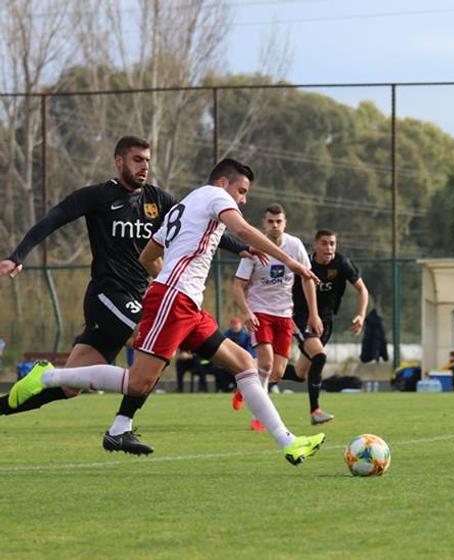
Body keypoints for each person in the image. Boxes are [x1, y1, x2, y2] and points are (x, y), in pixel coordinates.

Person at [8, 158, 326, 466]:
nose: (242, 200)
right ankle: (47, 376)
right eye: (241, 191)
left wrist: (168, 279)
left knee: (244, 363)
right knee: (138, 383)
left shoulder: (184, 205)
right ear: (223, 182)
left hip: (185, 302)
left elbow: (148, 255)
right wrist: (291, 262)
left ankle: (288, 441)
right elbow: (241, 230)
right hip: (174, 300)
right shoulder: (215, 196)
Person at [0, 136, 256, 455]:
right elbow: (54, 217)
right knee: (155, 342)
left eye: (147, 160)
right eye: (137, 159)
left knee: (69, 386)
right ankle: (121, 426)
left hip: (141, 295)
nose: (144, 166)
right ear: (118, 161)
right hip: (109, 295)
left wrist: (242, 247)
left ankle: (9, 404)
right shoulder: (98, 196)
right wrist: (18, 255)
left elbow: (201, 220)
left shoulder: (156, 199)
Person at [230, 204, 318, 431]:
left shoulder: (295, 245)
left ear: (285, 223)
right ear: (264, 223)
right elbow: (238, 285)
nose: (275, 226)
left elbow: (307, 278)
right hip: (260, 311)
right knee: (266, 362)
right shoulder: (254, 247)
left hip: (284, 314)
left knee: (277, 371)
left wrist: (313, 314)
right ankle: (258, 417)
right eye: (270, 221)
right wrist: (247, 312)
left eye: (279, 221)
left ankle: (244, 384)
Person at [290, 229, 368, 424]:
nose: (329, 247)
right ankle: (315, 411)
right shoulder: (304, 264)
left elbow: (362, 290)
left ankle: (256, 373)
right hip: (302, 319)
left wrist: (361, 315)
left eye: (332, 243)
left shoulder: (341, 263)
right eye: (324, 243)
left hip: (326, 322)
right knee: (320, 356)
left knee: (300, 374)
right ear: (315, 245)